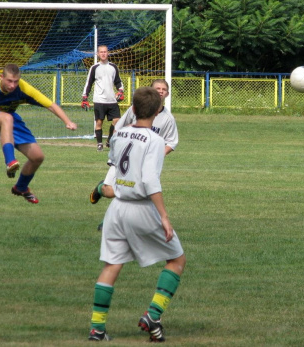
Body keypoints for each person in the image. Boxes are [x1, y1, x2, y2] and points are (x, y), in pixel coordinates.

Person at [87, 87, 186, 342]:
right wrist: (163, 215)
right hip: (141, 208)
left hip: (117, 209)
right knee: (176, 260)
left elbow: (115, 165)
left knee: (112, 265)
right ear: (156, 111)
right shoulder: (155, 140)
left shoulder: (119, 133)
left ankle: (97, 329)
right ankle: (153, 315)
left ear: (132, 108)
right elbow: (150, 180)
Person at [0, 63, 78, 204]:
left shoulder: (24, 88)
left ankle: (21, 187)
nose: (13, 85)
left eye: (15, 81)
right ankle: (10, 162)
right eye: (9, 81)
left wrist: (67, 121)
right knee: (6, 118)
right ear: (1, 77)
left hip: (10, 118)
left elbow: (50, 104)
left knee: (37, 157)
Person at [89, 79, 178, 230]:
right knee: (110, 191)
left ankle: (110, 222)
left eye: (164, 89)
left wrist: (157, 155)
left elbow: (171, 141)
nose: (160, 91)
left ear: (167, 94)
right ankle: (100, 189)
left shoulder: (168, 119)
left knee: (132, 192)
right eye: (157, 88)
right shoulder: (135, 110)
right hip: (124, 160)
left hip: (144, 162)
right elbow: (118, 128)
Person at [81, 45, 125, 151]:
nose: (103, 54)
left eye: (105, 52)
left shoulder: (113, 67)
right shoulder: (94, 68)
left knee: (117, 120)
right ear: (98, 54)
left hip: (112, 100)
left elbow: (118, 81)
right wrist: (84, 97)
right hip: (99, 100)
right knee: (99, 122)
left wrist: (120, 90)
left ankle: (109, 140)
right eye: (101, 52)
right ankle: (99, 143)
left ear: (108, 53)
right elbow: (89, 83)